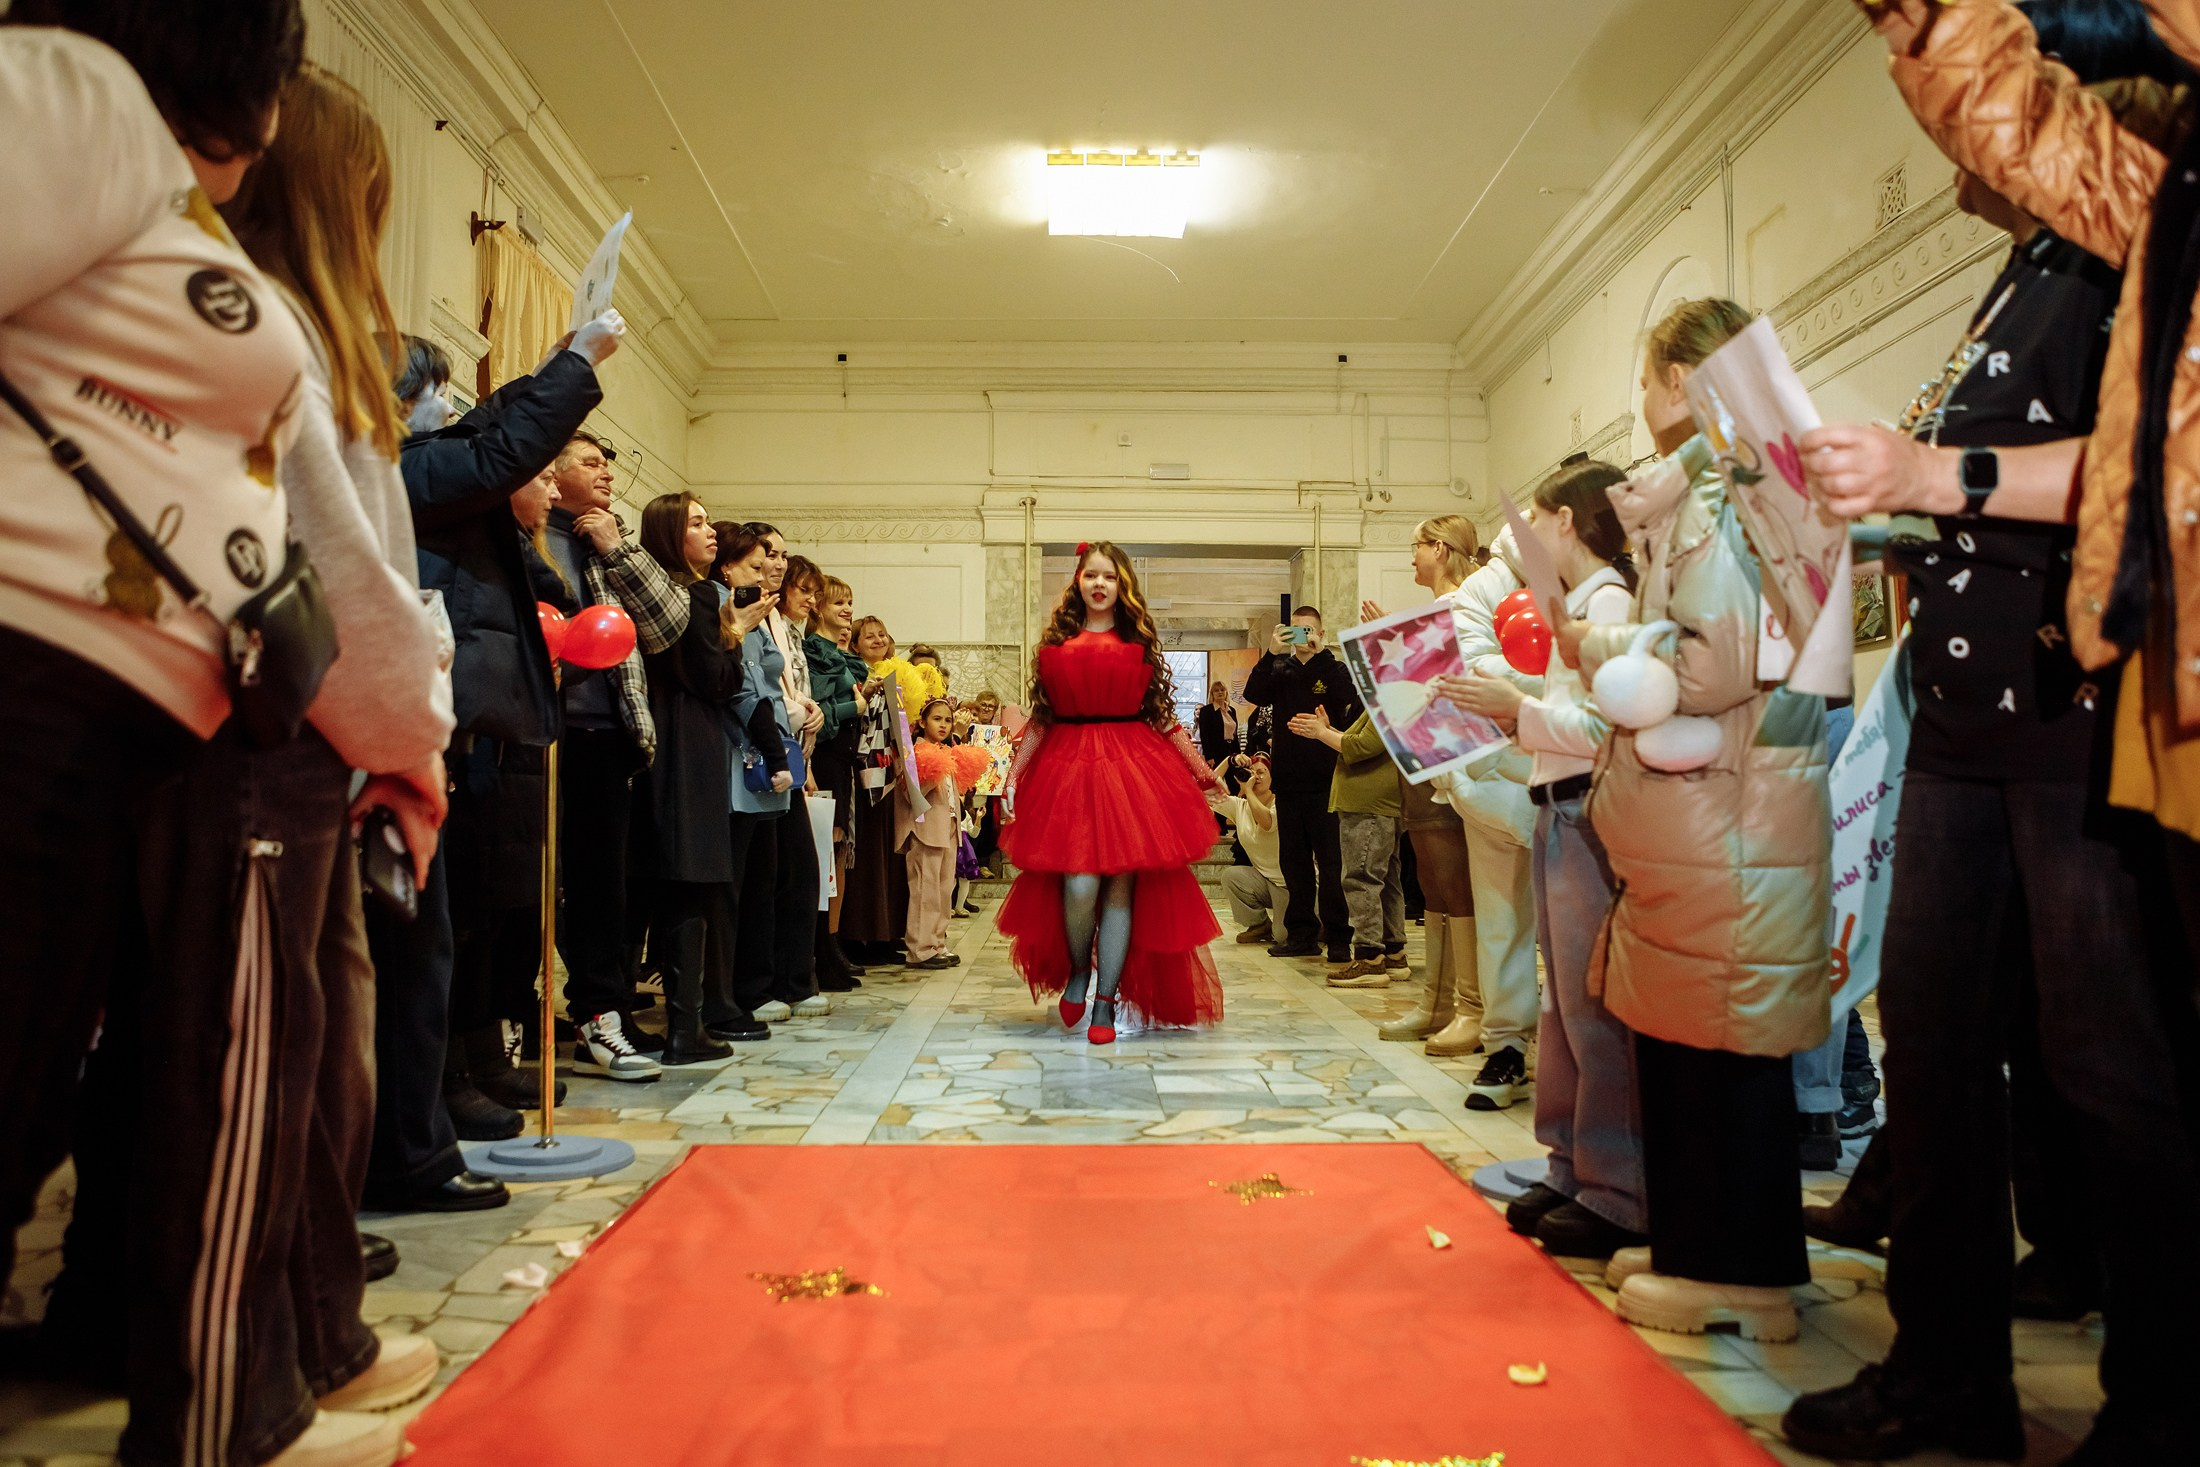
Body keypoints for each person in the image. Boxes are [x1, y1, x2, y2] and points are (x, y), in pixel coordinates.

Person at [0, 6, 430, 1464]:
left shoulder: (156, 199)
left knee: (134, 1080)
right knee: (239, 1075)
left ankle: (226, 1374)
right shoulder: (80, 99)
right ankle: (232, 1396)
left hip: (135, 707)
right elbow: (340, 563)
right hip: (97, 700)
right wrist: (409, 728)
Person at [1784, 71, 2200, 1452]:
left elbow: (2151, 465)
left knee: (2113, 1072)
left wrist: (1929, 479)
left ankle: (2159, 1402)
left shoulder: (2132, 255)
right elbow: (1979, 472)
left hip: (2075, 712)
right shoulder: (2019, 275)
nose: (1951, 140)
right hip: (1961, 728)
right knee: (1940, 1049)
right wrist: (1888, 499)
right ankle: (1945, 1372)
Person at [1561, 297, 1830, 1343]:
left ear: (1681, 378)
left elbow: (1709, 664)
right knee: (1691, 1037)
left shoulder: (1727, 497)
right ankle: (1694, 1243)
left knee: (1721, 1050)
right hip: (1719, 818)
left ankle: (1740, 1270)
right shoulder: (1733, 484)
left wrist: (1602, 655)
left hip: (1728, 819)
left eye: (1646, 377)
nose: (1641, 399)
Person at [379, 315, 626, 1200]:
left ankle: (426, 1121)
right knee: (425, 947)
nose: (447, 406)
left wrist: (550, 365)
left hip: (463, 728)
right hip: (428, 728)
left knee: (449, 936)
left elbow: (489, 432)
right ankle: (410, 1138)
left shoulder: (430, 460)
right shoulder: (398, 470)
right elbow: (493, 451)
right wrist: (576, 364)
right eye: (432, 389)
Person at [1441, 462, 1643, 1255]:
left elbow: (1605, 725)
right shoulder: (1576, 605)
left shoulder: (1611, 604)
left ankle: (1617, 1187)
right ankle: (1570, 1162)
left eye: (1535, 516)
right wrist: (1520, 715)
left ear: (1565, 523)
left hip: (1590, 806)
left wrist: (1517, 709)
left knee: (1594, 1006)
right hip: (1557, 803)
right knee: (1562, 1005)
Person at [996, 541, 1227, 1043]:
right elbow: (1040, 720)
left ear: (1122, 586)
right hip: (1069, 768)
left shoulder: (1138, 643)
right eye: (1091, 575)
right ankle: (1080, 969)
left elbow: (1163, 719)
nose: (1100, 584)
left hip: (1131, 768)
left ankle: (1106, 1001)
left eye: (1110, 577)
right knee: (1079, 885)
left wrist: (1201, 768)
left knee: (1121, 889)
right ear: (1077, 581)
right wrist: (1013, 776)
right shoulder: (1054, 646)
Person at [541, 430, 690, 1078]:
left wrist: (617, 549)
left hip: (607, 734)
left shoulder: (609, 542)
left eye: (609, 462)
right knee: (530, 884)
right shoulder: (522, 530)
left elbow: (669, 622)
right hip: (535, 733)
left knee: (605, 884)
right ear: (550, 469)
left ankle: (601, 1012)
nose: (606, 472)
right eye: (590, 462)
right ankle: (519, 1024)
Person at [633, 495, 773, 1064]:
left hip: (678, 739)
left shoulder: (675, 592)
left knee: (681, 883)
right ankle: (684, 1028)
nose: (710, 530)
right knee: (691, 880)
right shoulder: (688, 597)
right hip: (685, 742)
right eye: (695, 523)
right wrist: (735, 631)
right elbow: (715, 679)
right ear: (670, 534)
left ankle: (682, 1022)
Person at [1426, 528, 1541, 1078]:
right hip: (1495, 768)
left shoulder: (1600, 581)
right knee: (1501, 915)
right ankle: (1505, 1042)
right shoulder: (1482, 590)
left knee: (1578, 919)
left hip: (1576, 762)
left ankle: (1578, 1045)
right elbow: (1479, 669)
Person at [1370, 518, 1483, 1052]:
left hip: (1449, 758)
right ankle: (1436, 1002)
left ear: (1439, 548)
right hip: (1421, 757)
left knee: (1454, 881)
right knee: (1432, 883)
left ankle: (1470, 1006)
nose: (1411, 557)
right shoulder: (1431, 612)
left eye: (1415, 546)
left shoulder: (1464, 605)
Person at [734, 523, 829, 1019]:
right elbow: (753, 687)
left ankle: (794, 977)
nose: (776, 562)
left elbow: (787, 680)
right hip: (759, 749)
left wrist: (806, 710)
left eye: (780, 555)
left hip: (788, 748)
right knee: (769, 874)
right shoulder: (744, 611)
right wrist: (794, 712)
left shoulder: (781, 622)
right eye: (768, 554)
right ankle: (766, 982)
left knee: (796, 872)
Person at [710, 523, 800, 1030]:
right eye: (756, 561)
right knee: (740, 882)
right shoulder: (730, 609)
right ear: (729, 567)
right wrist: (777, 753)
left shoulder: (759, 611)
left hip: (768, 749)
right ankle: (737, 991)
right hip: (747, 756)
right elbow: (747, 690)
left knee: (763, 877)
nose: (768, 568)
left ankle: (753, 985)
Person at [1242, 605, 1363, 962]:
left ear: (1321, 634)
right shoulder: (1280, 668)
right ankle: (1301, 934)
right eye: (1296, 630)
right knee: (1293, 864)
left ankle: (1338, 937)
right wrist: (1272, 651)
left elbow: (1352, 699)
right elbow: (1253, 694)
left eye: (1309, 630)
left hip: (1328, 781)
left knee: (1330, 864)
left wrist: (1323, 651)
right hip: (1290, 783)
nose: (1303, 637)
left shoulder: (1333, 668)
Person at [1288, 704, 1407, 985]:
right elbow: (1360, 741)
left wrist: (1321, 734)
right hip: (1376, 802)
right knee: (1387, 881)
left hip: (1370, 803)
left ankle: (1369, 958)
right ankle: (1393, 952)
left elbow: (1362, 746)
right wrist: (1329, 731)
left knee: (1361, 878)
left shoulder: (1388, 700)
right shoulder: (1384, 699)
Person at [802, 568, 868, 992]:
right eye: (837, 602)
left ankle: (830, 941)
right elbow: (820, 719)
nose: (847, 609)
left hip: (841, 760)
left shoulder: (839, 654)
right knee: (825, 851)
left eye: (849, 602)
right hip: (822, 759)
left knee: (838, 849)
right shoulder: (814, 652)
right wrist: (854, 708)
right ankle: (820, 947)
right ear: (817, 608)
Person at [841, 614, 913, 962]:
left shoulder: (898, 678)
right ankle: (859, 933)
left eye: (882, 634)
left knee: (892, 852)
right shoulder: (852, 675)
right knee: (866, 854)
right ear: (855, 644)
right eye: (868, 635)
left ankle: (887, 931)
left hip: (892, 774)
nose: (876, 639)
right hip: (863, 773)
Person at [900, 697, 970, 970]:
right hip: (926, 829)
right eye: (937, 719)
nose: (943, 724)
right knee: (924, 890)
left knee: (943, 890)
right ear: (922, 722)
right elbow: (912, 793)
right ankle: (919, 948)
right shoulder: (916, 751)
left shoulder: (946, 751)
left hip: (948, 827)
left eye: (947, 720)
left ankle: (937, 943)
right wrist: (936, 767)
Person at [1218, 757, 1288, 943]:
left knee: (1283, 937)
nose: (1255, 777)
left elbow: (1267, 822)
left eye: (1261, 772)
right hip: (1265, 881)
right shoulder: (1240, 806)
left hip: (1291, 884)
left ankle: (1320, 922)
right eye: (1251, 772)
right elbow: (1203, 790)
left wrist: (1248, 791)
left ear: (1273, 777)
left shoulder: (1283, 803)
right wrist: (1229, 759)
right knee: (1232, 876)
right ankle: (1259, 925)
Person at [1196, 679, 1240, 787]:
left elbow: (1235, 734)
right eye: (1216, 690)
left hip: (1231, 750)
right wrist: (1209, 756)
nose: (1220, 692)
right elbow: (1205, 735)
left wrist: (1238, 754)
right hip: (1215, 752)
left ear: (1226, 693)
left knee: (1234, 784)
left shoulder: (1232, 710)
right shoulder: (1207, 711)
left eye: (1222, 690)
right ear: (1212, 694)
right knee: (1215, 783)